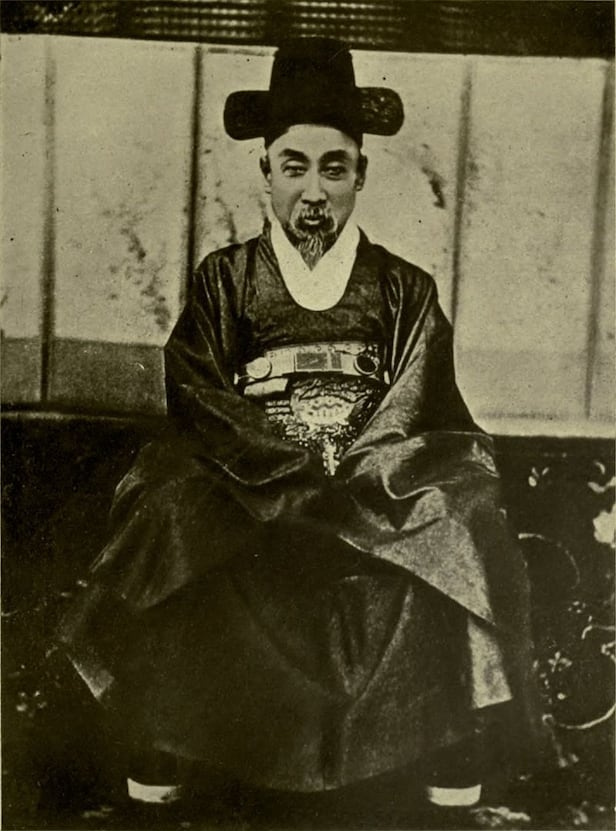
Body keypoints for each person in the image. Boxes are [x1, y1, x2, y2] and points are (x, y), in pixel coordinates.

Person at [57, 37, 545, 821]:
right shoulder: (225, 280)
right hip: (251, 484)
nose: (314, 193)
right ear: (266, 171)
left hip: (371, 483)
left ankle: (447, 739)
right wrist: (282, 464)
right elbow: (199, 389)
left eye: (333, 168)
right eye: (295, 166)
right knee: (168, 509)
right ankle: (167, 735)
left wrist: (352, 466)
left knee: (459, 513)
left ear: (360, 173)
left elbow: (417, 398)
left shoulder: (404, 288)